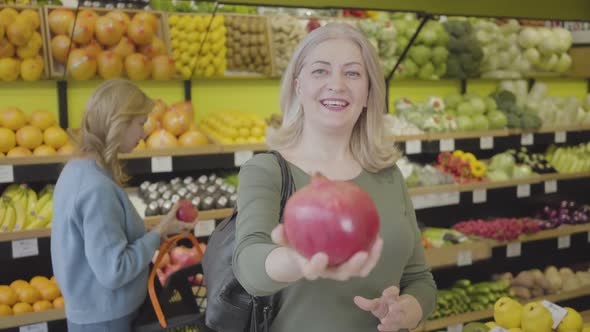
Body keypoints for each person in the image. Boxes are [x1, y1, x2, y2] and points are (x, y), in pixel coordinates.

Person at [232, 22, 437, 332]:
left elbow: (420, 279)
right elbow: (249, 268)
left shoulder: (387, 174)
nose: (337, 84)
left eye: (353, 73)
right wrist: (296, 260)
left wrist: (404, 312)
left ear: (369, 92)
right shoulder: (267, 171)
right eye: (320, 71)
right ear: (298, 86)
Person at [50, 79, 196, 332]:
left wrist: (158, 229)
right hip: (107, 320)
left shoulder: (77, 169)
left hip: (95, 312)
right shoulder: (96, 188)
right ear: (117, 123)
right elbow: (114, 270)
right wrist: (158, 235)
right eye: (140, 123)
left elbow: (105, 241)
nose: (144, 133)